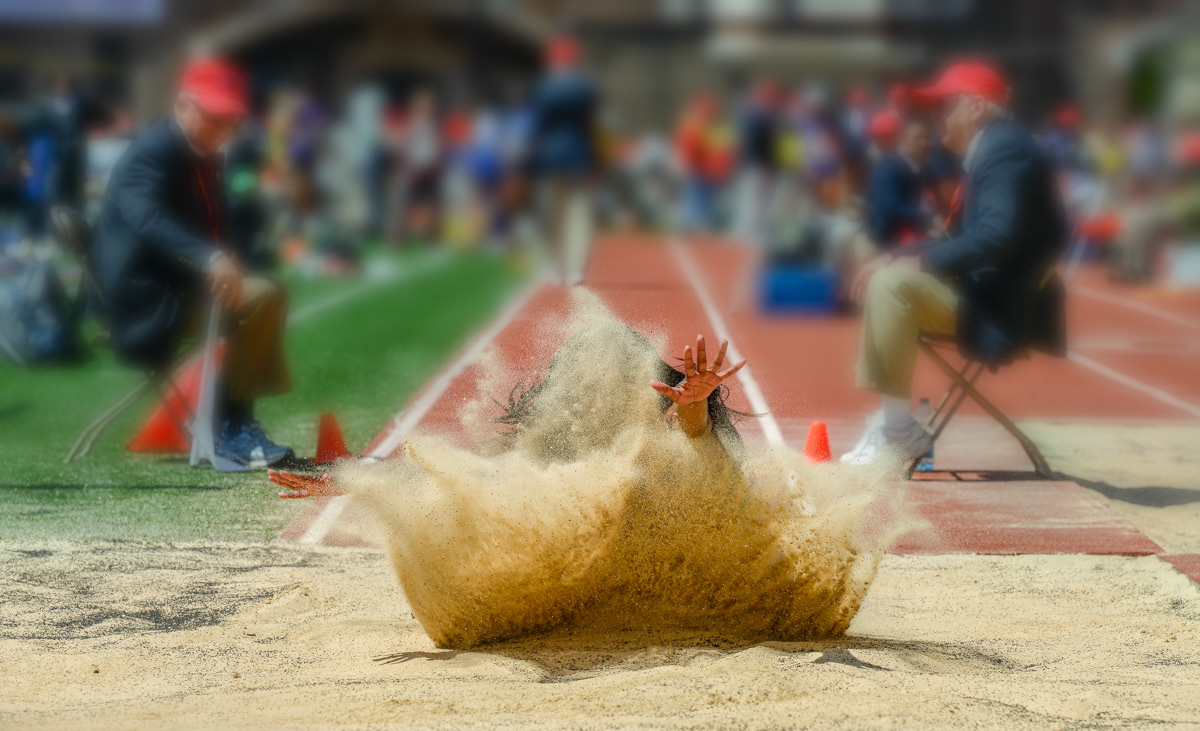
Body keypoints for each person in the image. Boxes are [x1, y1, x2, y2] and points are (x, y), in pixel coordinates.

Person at [840, 61, 1067, 465]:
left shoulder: (1005, 150)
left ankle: (897, 432)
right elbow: (961, 238)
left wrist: (920, 263)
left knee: (893, 286)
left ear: (975, 106)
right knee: (890, 274)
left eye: (943, 107)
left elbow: (995, 236)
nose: (935, 119)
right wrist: (898, 255)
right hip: (981, 293)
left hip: (995, 307)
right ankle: (892, 424)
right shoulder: (994, 148)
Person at [90, 57, 295, 469]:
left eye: (230, 118)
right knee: (259, 299)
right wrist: (211, 258)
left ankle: (234, 422)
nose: (223, 126)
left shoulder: (202, 156)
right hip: (143, 300)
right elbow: (149, 219)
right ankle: (230, 428)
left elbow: (218, 227)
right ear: (183, 105)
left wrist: (231, 256)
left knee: (262, 292)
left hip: (177, 286)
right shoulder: (152, 153)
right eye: (213, 115)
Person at [270, 331, 748, 498]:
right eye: (584, 387)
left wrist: (694, 406)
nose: (597, 399)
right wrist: (357, 480)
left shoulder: (665, 433)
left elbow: (707, 452)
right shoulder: (555, 441)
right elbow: (453, 471)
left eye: (614, 383)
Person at [527, 34, 601, 285]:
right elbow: (590, 126)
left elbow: (536, 127)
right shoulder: (585, 88)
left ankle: (553, 265)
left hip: (548, 156)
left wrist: (528, 162)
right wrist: (594, 159)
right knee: (578, 213)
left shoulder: (542, 88)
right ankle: (576, 268)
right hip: (578, 154)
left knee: (550, 214)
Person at [865, 117, 934, 250]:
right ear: (903, 139)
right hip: (888, 240)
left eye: (927, 138)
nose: (924, 143)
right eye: (918, 138)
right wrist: (926, 218)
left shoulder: (920, 166)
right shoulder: (889, 166)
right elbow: (889, 208)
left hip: (912, 234)